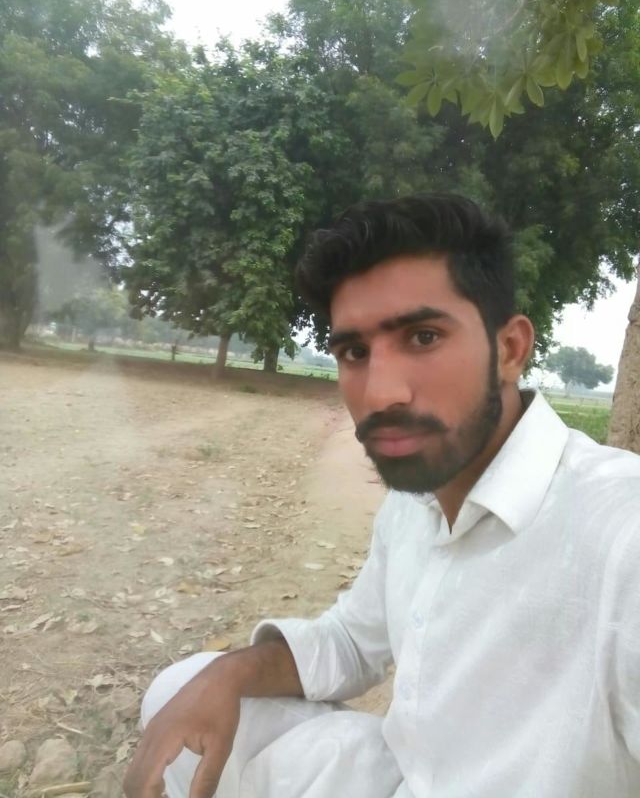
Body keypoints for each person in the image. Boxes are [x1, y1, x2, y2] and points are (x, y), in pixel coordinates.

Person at [124, 194, 640, 798]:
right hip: (402, 778)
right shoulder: (416, 501)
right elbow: (350, 641)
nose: (379, 393)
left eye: (423, 336)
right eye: (354, 352)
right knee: (182, 690)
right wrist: (231, 674)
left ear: (509, 349)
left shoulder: (620, 533)